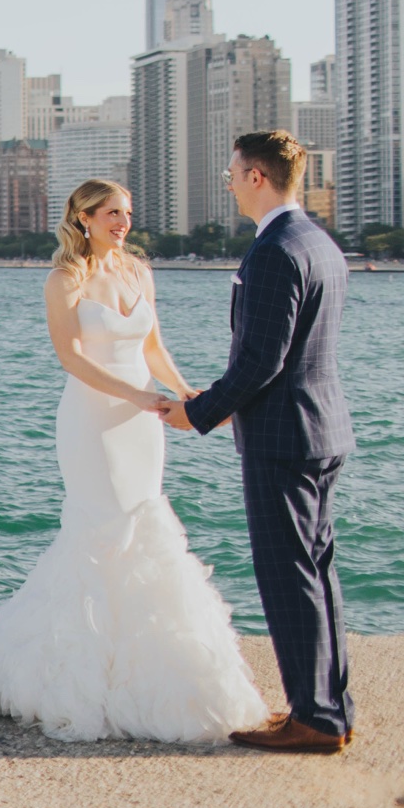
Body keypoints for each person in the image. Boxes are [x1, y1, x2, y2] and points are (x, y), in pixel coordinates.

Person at [0, 178, 266, 741]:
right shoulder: (65, 278)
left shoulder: (139, 271)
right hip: (94, 422)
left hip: (143, 424)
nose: (123, 222)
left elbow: (152, 345)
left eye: (128, 212)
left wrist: (186, 393)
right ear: (83, 217)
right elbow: (71, 356)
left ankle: (145, 667)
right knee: (100, 529)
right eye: (112, 212)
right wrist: (137, 395)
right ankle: (76, 673)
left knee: (143, 524)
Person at [154, 130, 356, 752]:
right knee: (316, 571)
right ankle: (330, 708)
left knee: (288, 575)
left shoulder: (273, 250)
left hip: (282, 437)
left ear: (258, 178)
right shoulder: (318, 241)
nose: (230, 183)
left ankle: (314, 719)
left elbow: (261, 360)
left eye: (233, 173)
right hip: (320, 428)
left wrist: (200, 412)